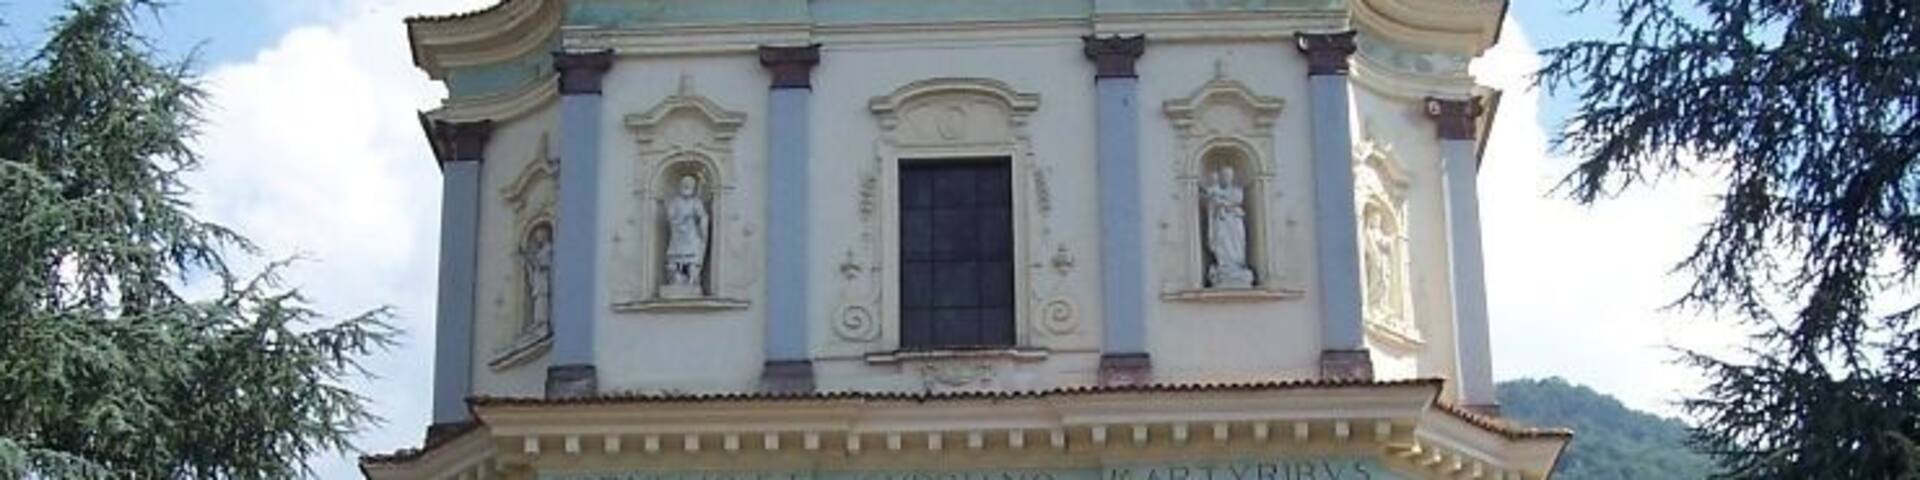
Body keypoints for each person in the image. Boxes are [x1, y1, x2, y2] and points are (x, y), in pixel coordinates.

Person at [665, 175, 709, 287]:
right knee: (675, 258)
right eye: (685, 184)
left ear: (693, 187)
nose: (687, 186)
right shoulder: (675, 202)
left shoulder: (696, 202)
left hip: (691, 235)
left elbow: (703, 216)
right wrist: (679, 220)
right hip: (678, 236)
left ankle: (692, 280)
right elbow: (670, 216)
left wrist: (702, 222)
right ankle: (675, 279)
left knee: (692, 258)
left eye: (689, 185)